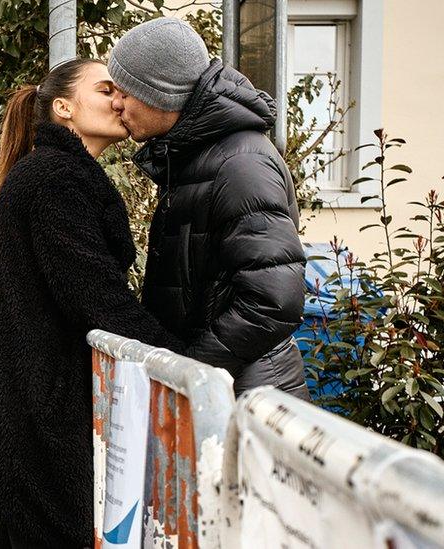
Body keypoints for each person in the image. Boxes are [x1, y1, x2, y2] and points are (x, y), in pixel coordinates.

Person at [0, 58, 184, 548]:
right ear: (64, 107)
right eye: (106, 89)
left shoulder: (54, 174)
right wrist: (183, 360)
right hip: (42, 409)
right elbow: (95, 298)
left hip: (35, 400)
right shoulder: (54, 181)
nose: (120, 100)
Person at [108, 17, 310, 400]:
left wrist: (188, 369)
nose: (115, 104)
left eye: (125, 91)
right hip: (219, 391)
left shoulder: (240, 164)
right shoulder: (195, 157)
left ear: (161, 95)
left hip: (243, 398)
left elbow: (273, 301)